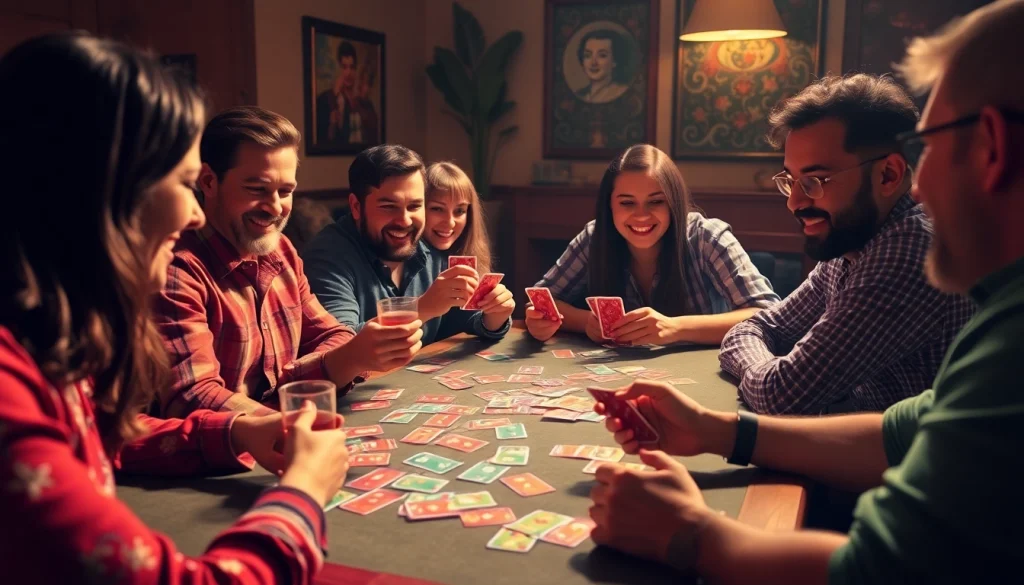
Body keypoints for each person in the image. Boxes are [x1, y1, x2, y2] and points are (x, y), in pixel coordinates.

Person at [588, 2, 1024, 582]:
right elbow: (897, 432)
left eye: (932, 147)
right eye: (791, 180)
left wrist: (691, 534)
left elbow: (873, 570)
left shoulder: (916, 260)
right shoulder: (871, 248)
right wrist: (714, 429)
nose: (795, 201)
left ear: (991, 147)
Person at [0, 33, 348, 584]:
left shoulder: (45, 332)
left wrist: (238, 433)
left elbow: (112, 435)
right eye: (187, 184)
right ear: (104, 189)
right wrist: (303, 491)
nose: (194, 215)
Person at [718, 74, 975, 416]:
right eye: (791, 181)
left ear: (888, 175)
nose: (794, 202)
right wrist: (763, 367)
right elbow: (758, 327)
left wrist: (755, 368)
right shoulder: (850, 243)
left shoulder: (908, 251)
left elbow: (781, 394)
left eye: (815, 180)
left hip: (916, 450)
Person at [153, 107, 422, 418]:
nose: (275, 207)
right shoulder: (175, 267)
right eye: (257, 189)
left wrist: (346, 359)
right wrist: (293, 411)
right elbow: (192, 397)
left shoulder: (281, 250)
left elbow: (332, 335)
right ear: (209, 182)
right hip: (232, 447)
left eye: (285, 191)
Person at [527, 144, 779, 346]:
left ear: (673, 203)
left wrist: (674, 328)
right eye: (627, 203)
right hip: (622, 377)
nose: (641, 216)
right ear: (609, 205)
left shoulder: (707, 237)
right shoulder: (595, 236)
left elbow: (766, 314)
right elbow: (541, 302)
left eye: (656, 202)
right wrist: (585, 322)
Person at [304, 145, 515, 344]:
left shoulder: (425, 245)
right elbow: (339, 345)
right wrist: (422, 308)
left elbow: (460, 322)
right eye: (389, 206)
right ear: (356, 207)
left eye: (414, 206)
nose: (405, 221)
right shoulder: (326, 255)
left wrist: (493, 317)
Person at [423, 161, 493, 271]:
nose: (450, 222)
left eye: (459, 211)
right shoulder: (403, 263)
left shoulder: (474, 254)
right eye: (438, 209)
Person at [315, 41, 379, 146]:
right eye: (344, 67)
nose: (348, 73)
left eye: (352, 67)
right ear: (339, 68)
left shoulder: (363, 101)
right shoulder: (326, 98)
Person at [575, 29, 630, 104]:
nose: (593, 63)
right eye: (587, 55)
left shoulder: (621, 92)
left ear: (615, 61)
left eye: (602, 55)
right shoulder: (580, 94)